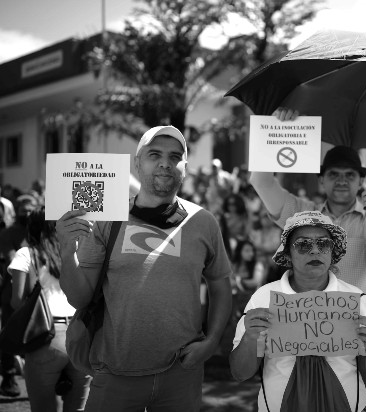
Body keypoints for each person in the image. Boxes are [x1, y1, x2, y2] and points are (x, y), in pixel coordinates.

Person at [56, 125, 233, 411]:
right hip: (115, 374)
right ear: (138, 163)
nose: (166, 163)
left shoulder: (204, 221)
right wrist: (67, 251)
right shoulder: (107, 218)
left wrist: (211, 342)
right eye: (154, 154)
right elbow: (79, 298)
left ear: (185, 168)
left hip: (181, 374)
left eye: (175, 156)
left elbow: (221, 284)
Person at [230, 211, 366, 412]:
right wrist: (249, 339)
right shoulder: (263, 299)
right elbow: (239, 373)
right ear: (288, 253)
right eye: (303, 244)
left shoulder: (358, 300)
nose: (315, 251)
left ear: (332, 252)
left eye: (324, 244)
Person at [249, 108, 366, 301]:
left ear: (361, 181)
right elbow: (261, 182)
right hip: (306, 316)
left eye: (350, 175)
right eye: (334, 174)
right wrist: (275, 130)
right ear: (321, 180)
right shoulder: (303, 213)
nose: (342, 181)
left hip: (355, 319)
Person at [9, 207, 91, 412]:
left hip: (45, 337)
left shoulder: (27, 253)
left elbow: (17, 301)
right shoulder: (78, 252)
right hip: (81, 334)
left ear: (32, 227)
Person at [0, 193, 38, 397]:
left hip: (38, 295)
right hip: (12, 293)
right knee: (9, 334)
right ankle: (8, 377)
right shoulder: (7, 234)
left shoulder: (40, 231)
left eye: (31, 210)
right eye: (24, 211)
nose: (28, 214)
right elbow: (10, 259)